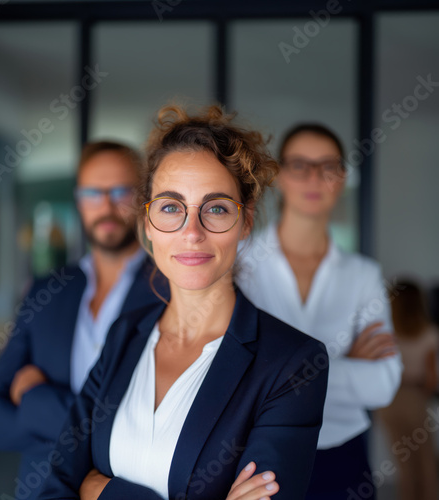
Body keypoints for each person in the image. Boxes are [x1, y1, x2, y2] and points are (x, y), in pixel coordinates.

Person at [37, 105, 329, 500]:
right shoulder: (126, 332)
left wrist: (100, 490)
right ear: (146, 225)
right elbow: (56, 485)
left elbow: (81, 484)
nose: (192, 232)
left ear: (245, 222)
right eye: (171, 207)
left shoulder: (293, 364)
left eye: (217, 208)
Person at [0, 141, 168, 500]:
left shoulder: (168, 291)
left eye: (120, 191)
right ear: (79, 200)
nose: (106, 205)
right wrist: (94, 430)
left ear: (144, 198)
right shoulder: (46, 292)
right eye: (93, 192)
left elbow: (152, 431)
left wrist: (35, 398)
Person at [236, 123, 403, 499]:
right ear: (278, 176)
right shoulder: (241, 263)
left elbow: (385, 383)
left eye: (327, 166)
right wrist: (343, 361)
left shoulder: (364, 274)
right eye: (300, 165)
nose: (314, 177)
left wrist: (278, 371)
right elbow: (231, 373)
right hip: (258, 454)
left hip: (344, 456)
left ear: (342, 177)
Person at [377, 279, 439, 500]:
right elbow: (431, 380)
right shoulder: (429, 333)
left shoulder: (385, 333)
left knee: (404, 465)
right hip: (415, 397)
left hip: (390, 400)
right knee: (426, 463)